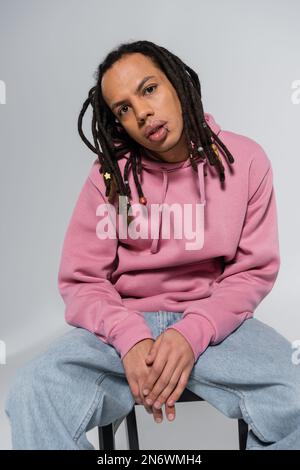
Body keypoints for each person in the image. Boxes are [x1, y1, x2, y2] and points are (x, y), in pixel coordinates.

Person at [5, 40, 300, 450]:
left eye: (148, 89)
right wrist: (130, 337)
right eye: (123, 108)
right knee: (33, 390)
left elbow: (250, 273)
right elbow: (84, 280)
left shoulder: (245, 161)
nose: (141, 112)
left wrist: (192, 332)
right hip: (124, 329)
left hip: (213, 325)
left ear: (177, 84)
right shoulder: (111, 177)